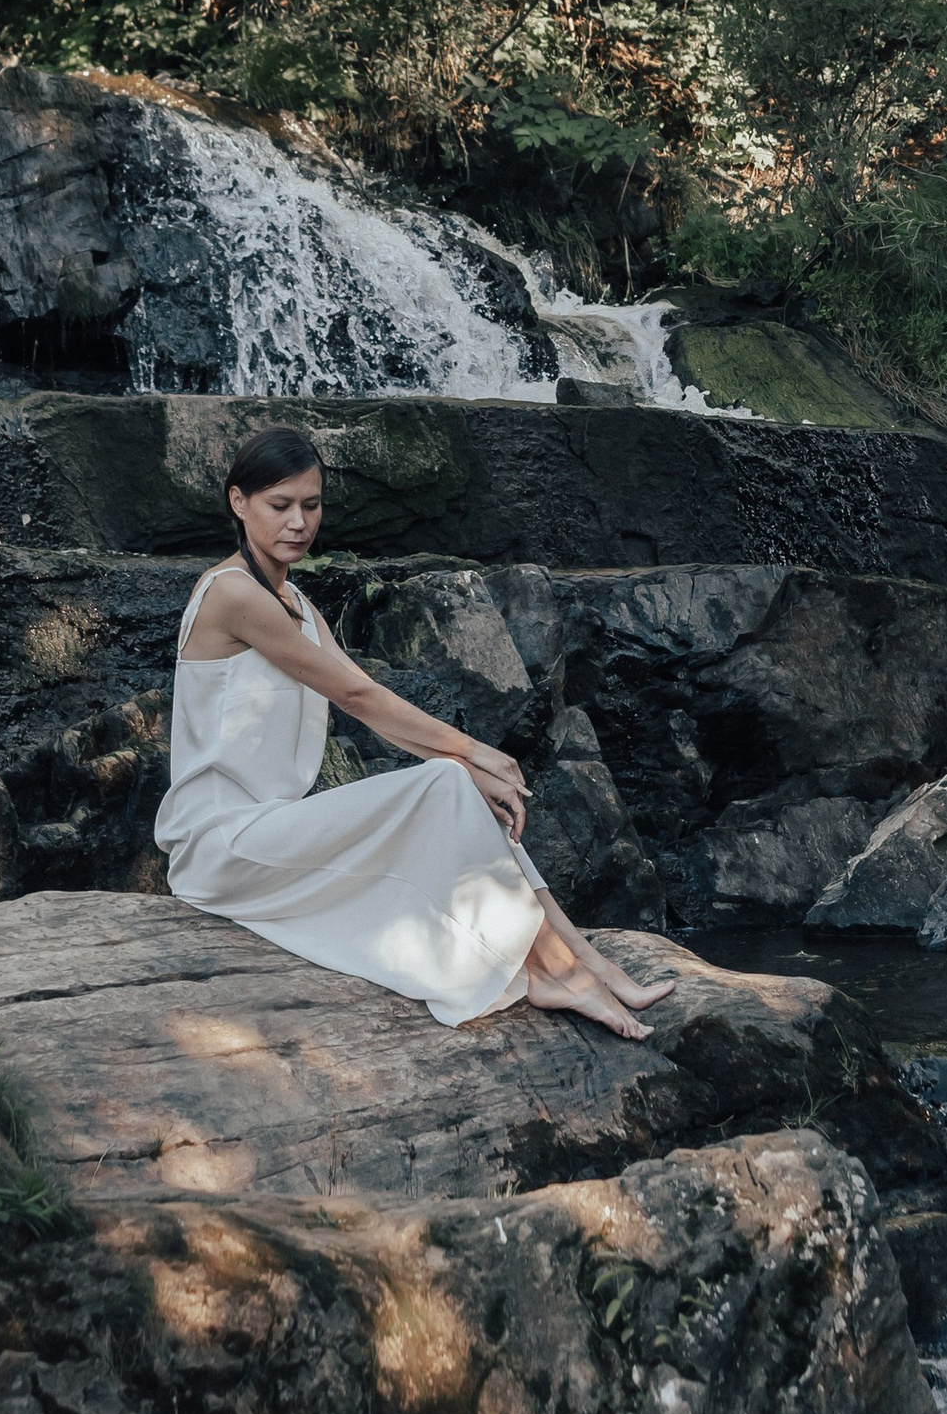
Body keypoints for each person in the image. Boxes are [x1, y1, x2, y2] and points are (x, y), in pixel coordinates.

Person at [155, 424, 673, 1040]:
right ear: (238, 503)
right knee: (446, 783)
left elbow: (369, 702)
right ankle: (551, 971)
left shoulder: (293, 600)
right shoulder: (232, 594)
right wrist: (477, 752)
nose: (299, 522)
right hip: (223, 844)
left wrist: (471, 766)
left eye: (311, 505)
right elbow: (356, 695)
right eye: (280, 505)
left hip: (271, 828)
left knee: (453, 782)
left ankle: (580, 956)